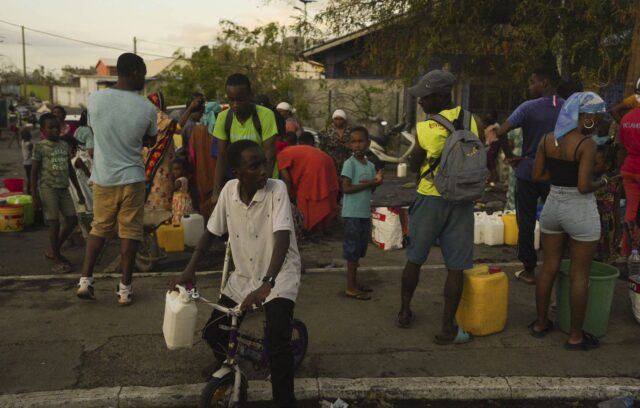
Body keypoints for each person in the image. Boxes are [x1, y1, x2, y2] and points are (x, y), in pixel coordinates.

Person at [171, 140, 301, 408]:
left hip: (278, 276)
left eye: (263, 163)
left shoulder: (277, 189)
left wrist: (268, 283)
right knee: (212, 332)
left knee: (278, 343)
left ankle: (285, 402)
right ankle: (232, 366)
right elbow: (210, 233)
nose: (264, 171)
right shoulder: (229, 192)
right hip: (244, 275)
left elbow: (282, 238)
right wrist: (189, 269)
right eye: (254, 166)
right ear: (237, 173)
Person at [397, 70, 479, 345]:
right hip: (463, 199)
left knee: (415, 258)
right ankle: (447, 327)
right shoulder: (472, 120)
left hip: (431, 197)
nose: (420, 101)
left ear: (442, 97)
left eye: (425, 96)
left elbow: (413, 164)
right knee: (456, 267)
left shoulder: (425, 128)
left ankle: (405, 310)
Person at [77, 52, 157, 305]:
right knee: (130, 232)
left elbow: (96, 130)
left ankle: (85, 281)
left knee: (99, 227)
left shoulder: (96, 100)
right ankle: (124, 289)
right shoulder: (146, 107)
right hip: (132, 177)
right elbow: (150, 139)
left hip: (103, 178)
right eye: (143, 74)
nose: (144, 79)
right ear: (134, 72)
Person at [531, 91, 607, 350]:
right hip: (580, 209)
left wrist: (559, 178)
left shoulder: (547, 140)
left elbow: (537, 175)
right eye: (594, 117)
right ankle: (575, 336)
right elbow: (585, 186)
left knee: (549, 266)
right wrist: (603, 182)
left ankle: (541, 323)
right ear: (583, 116)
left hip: (552, 205)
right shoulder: (586, 145)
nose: (596, 122)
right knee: (579, 274)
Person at [487, 67, 565, 284]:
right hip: (557, 173)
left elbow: (500, 132)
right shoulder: (568, 107)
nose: (530, 87)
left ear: (545, 82)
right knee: (557, 221)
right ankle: (555, 268)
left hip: (528, 170)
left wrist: (511, 156)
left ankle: (529, 270)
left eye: (533, 81)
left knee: (527, 221)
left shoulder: (528, 107)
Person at [211, 74, 279, 207]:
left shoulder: (265, 115)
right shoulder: (223, 118)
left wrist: (263, 190)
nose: (235, 105)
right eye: (231, 100)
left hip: (265, 180)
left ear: (250, 96)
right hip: (241, 184)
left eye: (240, 99)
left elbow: (269, 157)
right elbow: (221, 158)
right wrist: (216, 192)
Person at [31, 113, 85, 273]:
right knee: (54, 223)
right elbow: (34, 172)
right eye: (51, 128)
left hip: (64, 188)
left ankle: (53, 249)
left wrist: (79, 191)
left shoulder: (64, 145)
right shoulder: (40, 147)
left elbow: (70, 170)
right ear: (43, 130)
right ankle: (57, 258)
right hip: (48, 189)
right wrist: (34, 195)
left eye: (57, 127)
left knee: (72, 219)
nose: (55, 130)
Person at [340, 127, 383, 300]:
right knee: (352, 252)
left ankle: (354, 282)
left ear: (368, 143)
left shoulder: (371, 165)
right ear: (349, 144)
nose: (357, 145)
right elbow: (346, 188)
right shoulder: (349, 164)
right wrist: (371, 183)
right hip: (352, 214)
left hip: (364, 213)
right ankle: (350, 287)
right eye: (354, 142)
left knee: (358, 251)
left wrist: (377, 182)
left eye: (361, 141)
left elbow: (370, 190)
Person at [278, 131, 340, 233]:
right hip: (326, 160)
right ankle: (320, 228)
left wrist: (286, 197)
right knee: (321, 195)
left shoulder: (281, 154)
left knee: (307, 197)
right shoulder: (291, 150)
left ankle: (308, 228)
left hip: (315, 166)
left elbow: (287, 180)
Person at [619, 78, 640, 257]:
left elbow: (622, 142)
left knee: (630, 213)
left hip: (628, 169)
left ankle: (626, 251)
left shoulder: (627, 117)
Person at [190, 101, 221, 219]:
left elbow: (191, 155)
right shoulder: (219, 129)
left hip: (201, 173)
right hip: (217, 173)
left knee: (204, 203)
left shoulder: (196, 130)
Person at [593, 144, 622, 263]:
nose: (591, 166)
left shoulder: (615, 182)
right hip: (594, 221)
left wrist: (619, 230)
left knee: (608, 252)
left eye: (595, 163)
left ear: (608, 165)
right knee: (594, 255)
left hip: (609, 224)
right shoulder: (590, 179)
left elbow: (616, 207)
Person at [319, 109, 352, 178]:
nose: (338, 121)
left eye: (341, 119)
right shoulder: (326, 131)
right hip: (331, 163)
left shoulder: (350, 131)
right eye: (336, 119)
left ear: (344, 120)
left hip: (347, 163)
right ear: (333, 119)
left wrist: (349, 146)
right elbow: (322, 148)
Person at [171, 159, 193, 225]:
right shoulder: (185, 179)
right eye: (174, 169)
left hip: (180, 203)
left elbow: (173, 188)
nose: (175, 171)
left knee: (179, 217)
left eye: (177, 169)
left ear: (183, 170)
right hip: (182, 202)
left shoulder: (179, 180)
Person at [20, 127, 33, 194]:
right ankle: (30, 191)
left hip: (25, 163)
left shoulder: (22, 142)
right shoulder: (29, 144)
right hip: (30, 162)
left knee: (29, 177)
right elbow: (33, 153)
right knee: (32, 178)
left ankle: (29, 191)